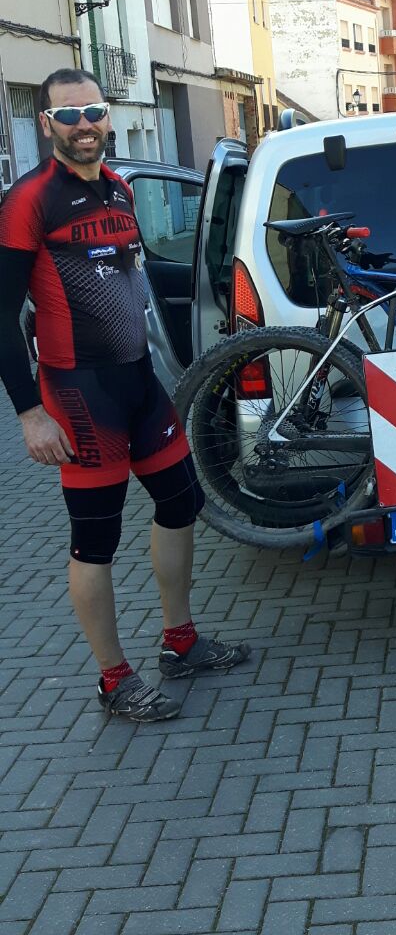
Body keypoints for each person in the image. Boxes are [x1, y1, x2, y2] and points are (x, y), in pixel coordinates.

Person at [0, 69, 249, 721]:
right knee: (96, 535)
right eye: (68, 115)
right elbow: (1, 316)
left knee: (182, 499)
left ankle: (180, 642)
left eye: (93, 111)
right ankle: (113, 680)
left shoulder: (118, 188)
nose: (83, 125)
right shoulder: (30, 200)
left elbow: (132, 284)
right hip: (79, 392)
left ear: (107, 117)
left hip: (137, 381)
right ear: (47, 124)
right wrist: (30, 413)